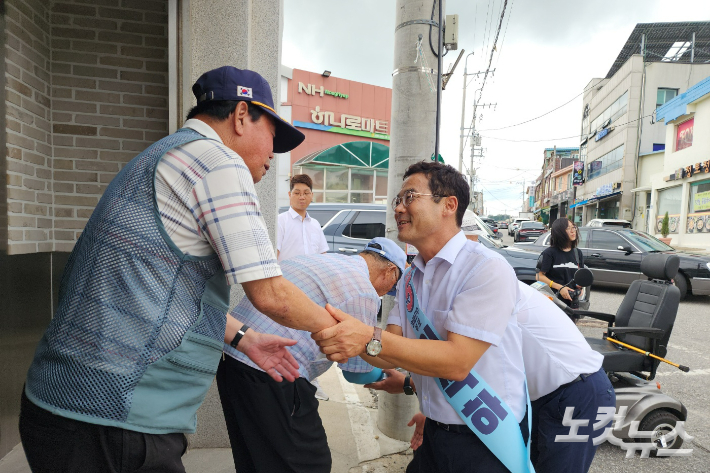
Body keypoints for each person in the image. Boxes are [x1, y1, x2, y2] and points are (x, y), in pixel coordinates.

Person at [19, 66, 343, 473]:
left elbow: (162, 286)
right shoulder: (218, 162)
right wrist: (343, 333)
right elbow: (271, 294)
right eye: (274, 136)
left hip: (62, 405)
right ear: (242, 115)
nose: (274, 154)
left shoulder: (162, 154)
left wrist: (242, 337)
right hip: (113, 421)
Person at [312, 161, 531, 473]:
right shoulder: (412, 277)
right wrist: (343, 336)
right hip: (435, 433)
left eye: (410, 197)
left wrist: (367, 338)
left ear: (449, 205)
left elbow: (456, 362)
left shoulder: (484, 268)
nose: (399, 209)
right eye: (397, 201)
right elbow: (388, 352)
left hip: (486, 436)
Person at [367, 281, 615, 473]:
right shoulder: (435, 290)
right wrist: (427, 404)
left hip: (578, 392)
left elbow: (461, 366)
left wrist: (359, 339)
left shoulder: (482, 289)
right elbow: (464, 370)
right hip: (537, 396)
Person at [217, 237, 406, 473]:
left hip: (234, 353)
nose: (386, 292)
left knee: (256, 456)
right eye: (392, 286)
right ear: (390, 272)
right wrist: (391, 374)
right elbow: (356, 373)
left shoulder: (324, 261)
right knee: (310, 463)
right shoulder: (364, 291)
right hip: (274, 369)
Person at [277, 174, 329, 262]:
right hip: (286, 275)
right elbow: (274, 254)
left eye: (306, 193)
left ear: (311, 195)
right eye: (297, 193)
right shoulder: (280, 221)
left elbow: (322, 256)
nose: (302, 197)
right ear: (290, 195)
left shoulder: (315, 224)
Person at [536, 217, 585, 305]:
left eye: (573, 227)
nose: (573, 231)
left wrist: (579, 287)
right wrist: (560, 288)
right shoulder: (549, 253)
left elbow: (578, 275)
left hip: (572, 302)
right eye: (568, 228)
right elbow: (539, 277)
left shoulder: (577, 253)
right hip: (553, 301)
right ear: (559, 232)